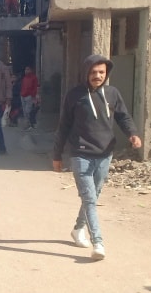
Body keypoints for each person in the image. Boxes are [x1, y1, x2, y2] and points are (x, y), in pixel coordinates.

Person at [52, 54, 142, 260]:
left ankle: (78, 229)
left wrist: (132, 134)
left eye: (101, 72)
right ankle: (98, 243)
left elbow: (123, 117)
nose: (98, 76)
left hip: (104, 154)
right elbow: (64, 126)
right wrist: (57, 155)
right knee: (90, 199)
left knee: (93, 195)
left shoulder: (112, 93)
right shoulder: (75, 95)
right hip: (80, 154)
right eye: (93, 72)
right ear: (86, 73)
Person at [20, 65, 41, 130]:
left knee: (28, 110)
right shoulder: (24, 78)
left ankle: (29, 124)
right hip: (23, 95)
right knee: (24, 111)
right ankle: (28, 124)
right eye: (25, 69)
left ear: (31, 70)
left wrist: (33, 96)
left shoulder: (34, 78)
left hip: (29, 96)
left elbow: (35, 87)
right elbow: (23, 86)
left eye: (28, 69)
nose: (26, 71)